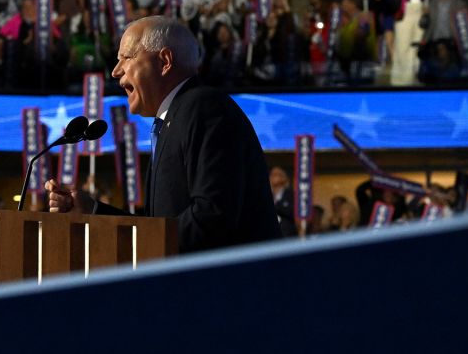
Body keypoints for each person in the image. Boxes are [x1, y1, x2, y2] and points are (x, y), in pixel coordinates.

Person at [46, 16, 280, 253]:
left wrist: (139, 244)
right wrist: (92, 211)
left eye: (126, 58)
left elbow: (212, 217)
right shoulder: (174, 118)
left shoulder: (204, 108)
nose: (116, 72)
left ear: (164, 61)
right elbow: (159, 224)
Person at [268, 167, 297, 237]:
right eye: (272, 174)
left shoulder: (291, 194)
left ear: (283, 178)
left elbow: (293, 212)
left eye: (277, 174)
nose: (273, 176)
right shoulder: (265, 194)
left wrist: (277, 205)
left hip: (286, 235)